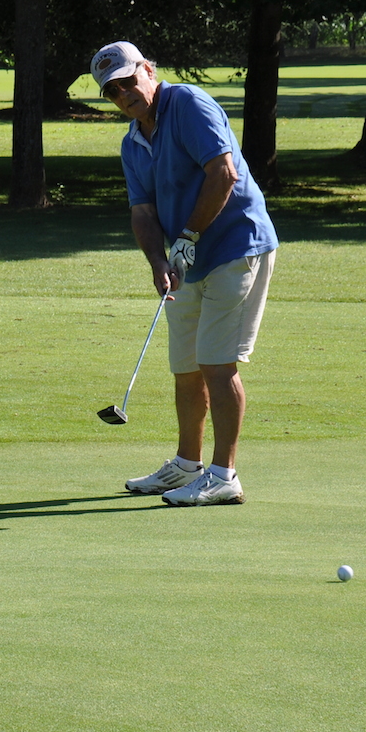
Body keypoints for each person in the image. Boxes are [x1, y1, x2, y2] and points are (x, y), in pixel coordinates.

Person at [92, 41, 279, 506]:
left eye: (128, 82)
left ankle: (224, 475)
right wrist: (158, 262)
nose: (124, 96)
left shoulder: (189, 103)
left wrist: (189, 237)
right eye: (113, 92)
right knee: (186, 367)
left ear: (148, 70)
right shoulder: (133, 142)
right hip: (184, 257)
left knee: (217, 363)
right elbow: (142, 211)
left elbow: (224, 173)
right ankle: (187, 465)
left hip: (236, 245)